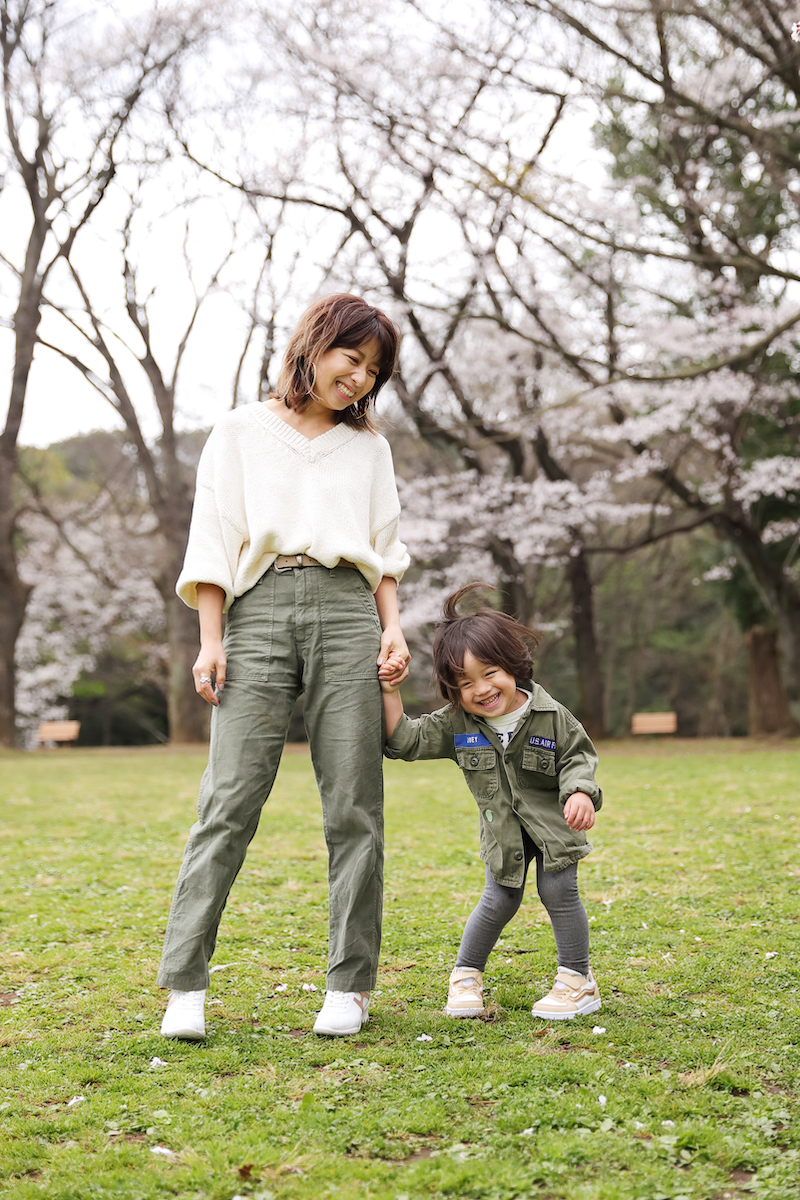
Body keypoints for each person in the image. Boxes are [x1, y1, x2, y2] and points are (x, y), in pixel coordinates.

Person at [158, 294, 410, 1040]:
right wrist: (212, 639)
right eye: (351, 358)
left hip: (344, 610)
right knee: (228, 800)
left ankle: (350, 983)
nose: (359, 378)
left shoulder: (369, 449)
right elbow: (213, 540)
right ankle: (185, 985)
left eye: (373, 370)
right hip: (257, 609)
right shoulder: (239, 431)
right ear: (316, 343)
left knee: (355, 806)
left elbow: (384, 547)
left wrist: (392, 628)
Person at [380, 583, 602, 1021]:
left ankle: (578, 980)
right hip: (503, 832)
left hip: (554, 827)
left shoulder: (550, 715)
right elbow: (404, 741)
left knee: (559, 891)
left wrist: (579, 792)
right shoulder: (458, 723)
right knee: (499, 899)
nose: (480, 689)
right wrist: (390, 691)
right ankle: (466, 977)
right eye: (465, 682)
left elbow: (579, 756)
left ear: (514, 666)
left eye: (489, 673)